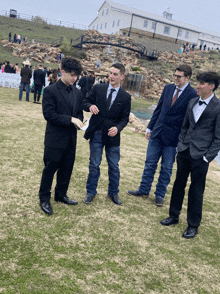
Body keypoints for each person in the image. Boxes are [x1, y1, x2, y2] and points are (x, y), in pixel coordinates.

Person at [160, 71, 220, 238]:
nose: (198, 86)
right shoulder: (193, 102)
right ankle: (173, 215)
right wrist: (181, 145)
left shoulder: (218, 107)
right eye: (198, 83)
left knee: (196, 190)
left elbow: (218, 137)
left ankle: (193, 225)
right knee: (178, 184)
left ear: (211, 86)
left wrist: (208, 157)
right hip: (185, 151)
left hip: (201, 156)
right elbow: (185, 127)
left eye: (201, 84)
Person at [127, 64, 197, 206]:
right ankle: (144, 189)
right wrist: (149, 128)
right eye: (175, 75)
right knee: (149, 164)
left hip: (173, 138)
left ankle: (159, 195)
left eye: (179, 76)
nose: (176, 78)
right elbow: (158, 109)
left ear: (187, 77)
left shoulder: (193, 94)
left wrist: (183, 140)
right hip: (157, 133)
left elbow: (189, 120)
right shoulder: (168, 88)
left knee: (166, 168)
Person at [39, 57, 84, 215]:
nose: (74, 78)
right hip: (55, 139)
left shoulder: (77, 92)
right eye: (72, 74)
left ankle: (61, 195)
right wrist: (70, 119)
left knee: (66, 169)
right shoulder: (51, 90)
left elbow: (78, 113)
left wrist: (80, 122)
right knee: (50, 169)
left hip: (71, 139)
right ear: (62, 72)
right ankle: (44, 198)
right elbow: (49, 114)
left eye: (76, 75)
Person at [83, 63, 131, 205]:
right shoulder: (98, 88)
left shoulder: (125, 97)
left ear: (122, 77)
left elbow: (124, 119)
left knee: (114, 167)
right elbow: (84, 102)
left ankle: (113, 193)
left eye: (115, 74)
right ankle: (90, 192)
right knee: (94, 165)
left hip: (113, 136)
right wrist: (90, 106)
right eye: (110, 73)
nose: (111, 76)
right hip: (96, 133)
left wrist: (118, 128)